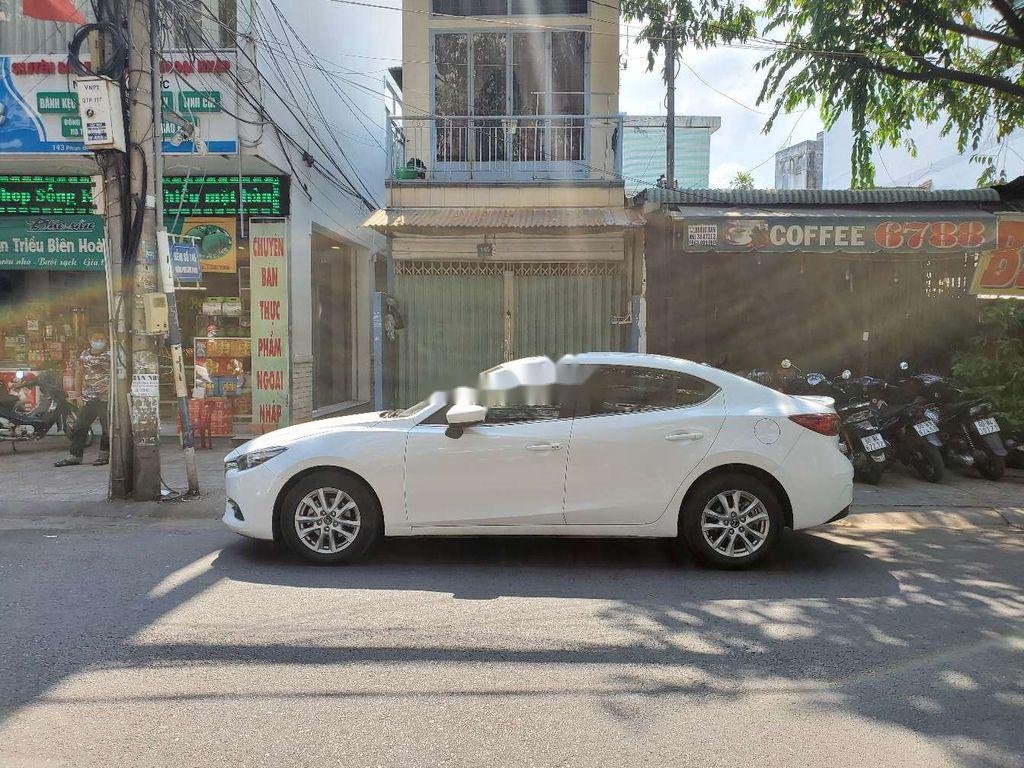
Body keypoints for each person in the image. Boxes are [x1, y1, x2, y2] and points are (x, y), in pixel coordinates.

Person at [55, 329, 111, 467]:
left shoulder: (110, 355)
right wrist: (78, 394)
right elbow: (79, 374)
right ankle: (75, 456)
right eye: (95, 339)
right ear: (89, 340)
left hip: (107, 398)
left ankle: (104, 455)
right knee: (80, 426)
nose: (98, 342)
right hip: (89, 397)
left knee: (107, 429)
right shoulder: (84, 355)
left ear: (106, 341)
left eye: (101, 339)